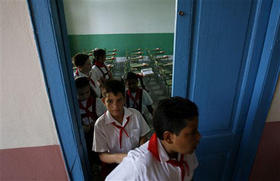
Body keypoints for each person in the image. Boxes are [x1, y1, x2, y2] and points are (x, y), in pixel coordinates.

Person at [106, 97, 201, 181]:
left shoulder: (186, 150)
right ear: (168, 137)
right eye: (192, 133)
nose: (199, 137)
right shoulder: (139, 166)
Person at [92, 79, 150, 179]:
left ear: (124, 99)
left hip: (137, 162)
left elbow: (143, 137)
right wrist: (122, 158)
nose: (115, 106)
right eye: (110, 101)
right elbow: (102, 155)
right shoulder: (100, 124)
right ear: (103, 101)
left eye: (119, 100)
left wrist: (139, 153)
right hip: (114, 166)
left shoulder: (135, 115)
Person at [75, 77, 106, 167]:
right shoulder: (74, 105)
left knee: (99, 152)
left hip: (98, 133)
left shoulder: (97, 102)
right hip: (83, 136)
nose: (85, 96)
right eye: (81, 94)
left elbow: (105, 117)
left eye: (87, 92)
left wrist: (96, 123)